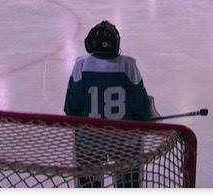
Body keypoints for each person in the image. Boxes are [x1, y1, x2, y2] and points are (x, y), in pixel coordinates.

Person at [64, 21, 158, 188]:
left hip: (89, 142)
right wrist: (148, 116)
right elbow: (140, 108)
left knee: (89, 186)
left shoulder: (81, 65)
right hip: (125, 142)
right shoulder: (128, 66)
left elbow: (72, 108)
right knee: (129, 185)